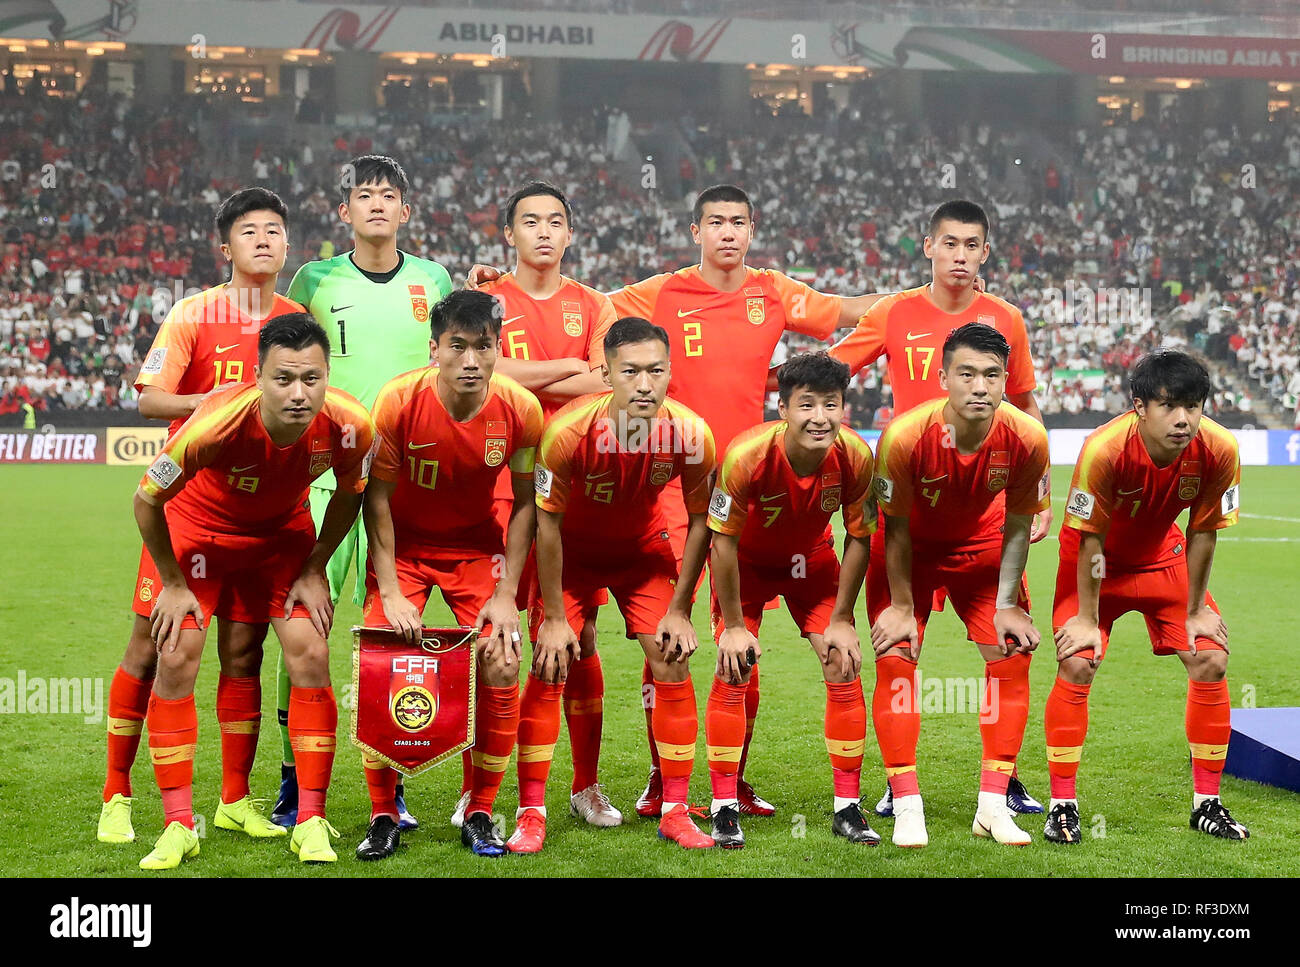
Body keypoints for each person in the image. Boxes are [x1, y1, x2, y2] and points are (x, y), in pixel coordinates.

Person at [470, 184, 887, 819]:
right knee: (667, 634)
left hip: (748, 484)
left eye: (738, 222)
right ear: (695, 230)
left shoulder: (774, 290)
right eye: (715, 221)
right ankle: (662, 784)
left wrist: (920, 303)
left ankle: (731, 779)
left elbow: (850, 311)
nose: (727, 232)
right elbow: (591, 313)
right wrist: (508, 282)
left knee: (734, 639)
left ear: (752, 231)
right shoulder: (661, 291)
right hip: (670, 485)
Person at [827, 198, 1050, 819]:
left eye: (970, 244)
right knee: (899, 647)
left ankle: (1001, 781)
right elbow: (833, 369)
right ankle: (898, 784)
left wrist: (1042, 487)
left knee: (1008, 647)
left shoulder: (1006, 317)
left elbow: (1026, 403)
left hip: (982, 509)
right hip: (909, 508)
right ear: (928, 246)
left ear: (985, 251)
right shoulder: (894, 313)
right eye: (948, 243)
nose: (959, 255)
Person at [97, 187, 302, 846]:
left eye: (274, 230)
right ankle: (116, 793)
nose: (264, 240)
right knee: (155, 647)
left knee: (244, 652)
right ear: (226, 247)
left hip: (263, 520)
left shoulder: (296, 319)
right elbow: (149, 398)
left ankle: (234, 799)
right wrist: (204, 399)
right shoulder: (194, 313)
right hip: (191, 513)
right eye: (250, 232)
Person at [132, 314, 375, 868]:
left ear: (327, 373)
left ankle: (310, 820)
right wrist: (171, 582)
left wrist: (315, 567)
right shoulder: (214, 423)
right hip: (199, 539)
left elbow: (349, 494)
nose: (298, 393)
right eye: (283, 379)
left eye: (311, 379)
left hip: (281, 542)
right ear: (258, 376)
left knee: (311, 653)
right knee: (176, 658)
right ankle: (177, 825)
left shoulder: (349, 424)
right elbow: (147, 500)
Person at [277, 155, 453, 828]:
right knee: (303, 628)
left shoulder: (432, 278)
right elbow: (287, 359)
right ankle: (294, 786)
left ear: (406, 211)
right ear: (343, 211)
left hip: (404, 479)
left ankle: (393, 786)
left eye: (389, 195)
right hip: (324, 475)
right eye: (363, 195)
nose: (377, 203)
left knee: (392, 633)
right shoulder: (314, 278)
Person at [357, 290, 543, 860]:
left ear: (498, 349)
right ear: (434, 348)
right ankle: (384, 814)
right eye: (456, 346)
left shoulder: (520, 410)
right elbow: (376, 499)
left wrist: (508, 592)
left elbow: (526, 505)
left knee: (503, 659)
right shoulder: (396, 402)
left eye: (482, 347)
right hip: (404, 552)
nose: (469, 360)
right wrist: (389, 590)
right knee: (383, 663)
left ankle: (481, 807)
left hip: (476, 551)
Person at [526, 317, 716, 851]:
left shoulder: (692, 433)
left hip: (642, 553)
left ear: (670, 372)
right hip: (573, 556)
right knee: (552, 661)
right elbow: (547, 524)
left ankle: (675, 810)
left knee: (672, 656)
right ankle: (536, 808)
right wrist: (556, 618)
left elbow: (703, 520)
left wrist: (680, 609)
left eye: (656, 371)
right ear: (607, 374)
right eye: (630, 371)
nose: (644, 384)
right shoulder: (566, 434)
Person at [1046, 350, 1247, 843]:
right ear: (1139, 406)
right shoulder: (1105, 450)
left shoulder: (1220, 448)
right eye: (1169, 406)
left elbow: (1204, 531)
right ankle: (1062, 807)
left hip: (1163, 560)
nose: (1183, 420)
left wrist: (1197, 611)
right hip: (1096, 567)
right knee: (1079, 660)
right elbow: (1088, 538)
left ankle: (1207, 804)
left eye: (1193, 406)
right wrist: (1088, 618)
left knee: (1212, 659)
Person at [869, 323, 1050, 848]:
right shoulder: (905, 436)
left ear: (1004, 380)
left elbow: (1019, 523)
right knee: (897, 655)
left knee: (1012, 654)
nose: (979, 386)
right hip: (910, 554)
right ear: (943, 376)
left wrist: (1010, 603)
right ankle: (906, 803)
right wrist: (902, 604)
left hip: (983, 551)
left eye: (992, 375)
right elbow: (894, 527)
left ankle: (992, 806)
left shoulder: (1027, 437)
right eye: (966, 373)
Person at [480, 181, 621, 831]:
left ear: (570, 234)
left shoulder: (597, 304)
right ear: (508, 234)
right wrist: (566, 366)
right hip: (501, 487)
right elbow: (482, 374)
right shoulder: (484, 300)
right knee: (497, 640)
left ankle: (583, 786)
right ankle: (478, 787)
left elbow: (606, 378)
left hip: (574, 491)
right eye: (529, 221)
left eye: (555, 221)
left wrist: (520, 370)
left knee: (578, 637)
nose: (543, 231)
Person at [706, 352, 879, 848]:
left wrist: (843, 618)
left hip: (813, 565)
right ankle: (723, 806)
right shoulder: (746, 457)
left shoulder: (856, 457)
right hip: (747, 568)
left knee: (843, 660)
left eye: (832, 404)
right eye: (807, 405)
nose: (820, 417)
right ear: (782, 409)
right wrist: (734, 626)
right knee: (734, 665)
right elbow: (723, 543)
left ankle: (848, 807)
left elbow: (860, 537)